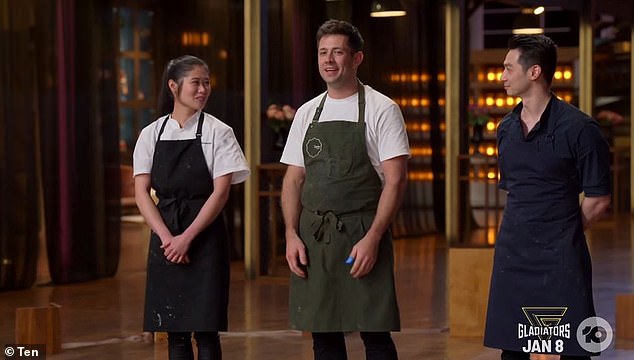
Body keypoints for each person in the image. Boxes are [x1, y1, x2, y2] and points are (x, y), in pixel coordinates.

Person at [280, 19, 410, 360]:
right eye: (323, 52)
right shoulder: (308, 112)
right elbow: (294, 179)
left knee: (375, 334)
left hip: (362, 233)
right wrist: (291, 234)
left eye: (338, 52)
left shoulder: (383, 109)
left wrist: (374, 237)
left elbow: (395, 180)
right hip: (315, 238)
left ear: (357, 59)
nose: (329, 60)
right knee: (323, 336)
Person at [484, 35, 612, 360]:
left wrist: (562, 230)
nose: (502, 76)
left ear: (534, 72)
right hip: (513, 254)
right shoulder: (506, 129)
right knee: (513, 350)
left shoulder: (580, 129)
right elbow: (514, 191)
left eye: (508, 68)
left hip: (561, 258)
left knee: (570, 348)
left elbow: (598, 199)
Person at [133, 55, 249, 360]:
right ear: (174, 86)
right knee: (175, 332)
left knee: (207, 331)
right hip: (166, 235)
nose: (203, 90)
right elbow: (142, 192)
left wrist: (187, 237)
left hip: (206, 236)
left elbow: (221, 193)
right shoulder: (151, 134)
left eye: (206, 83)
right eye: (196, 82)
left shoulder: (218, 132)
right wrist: (166, 238)